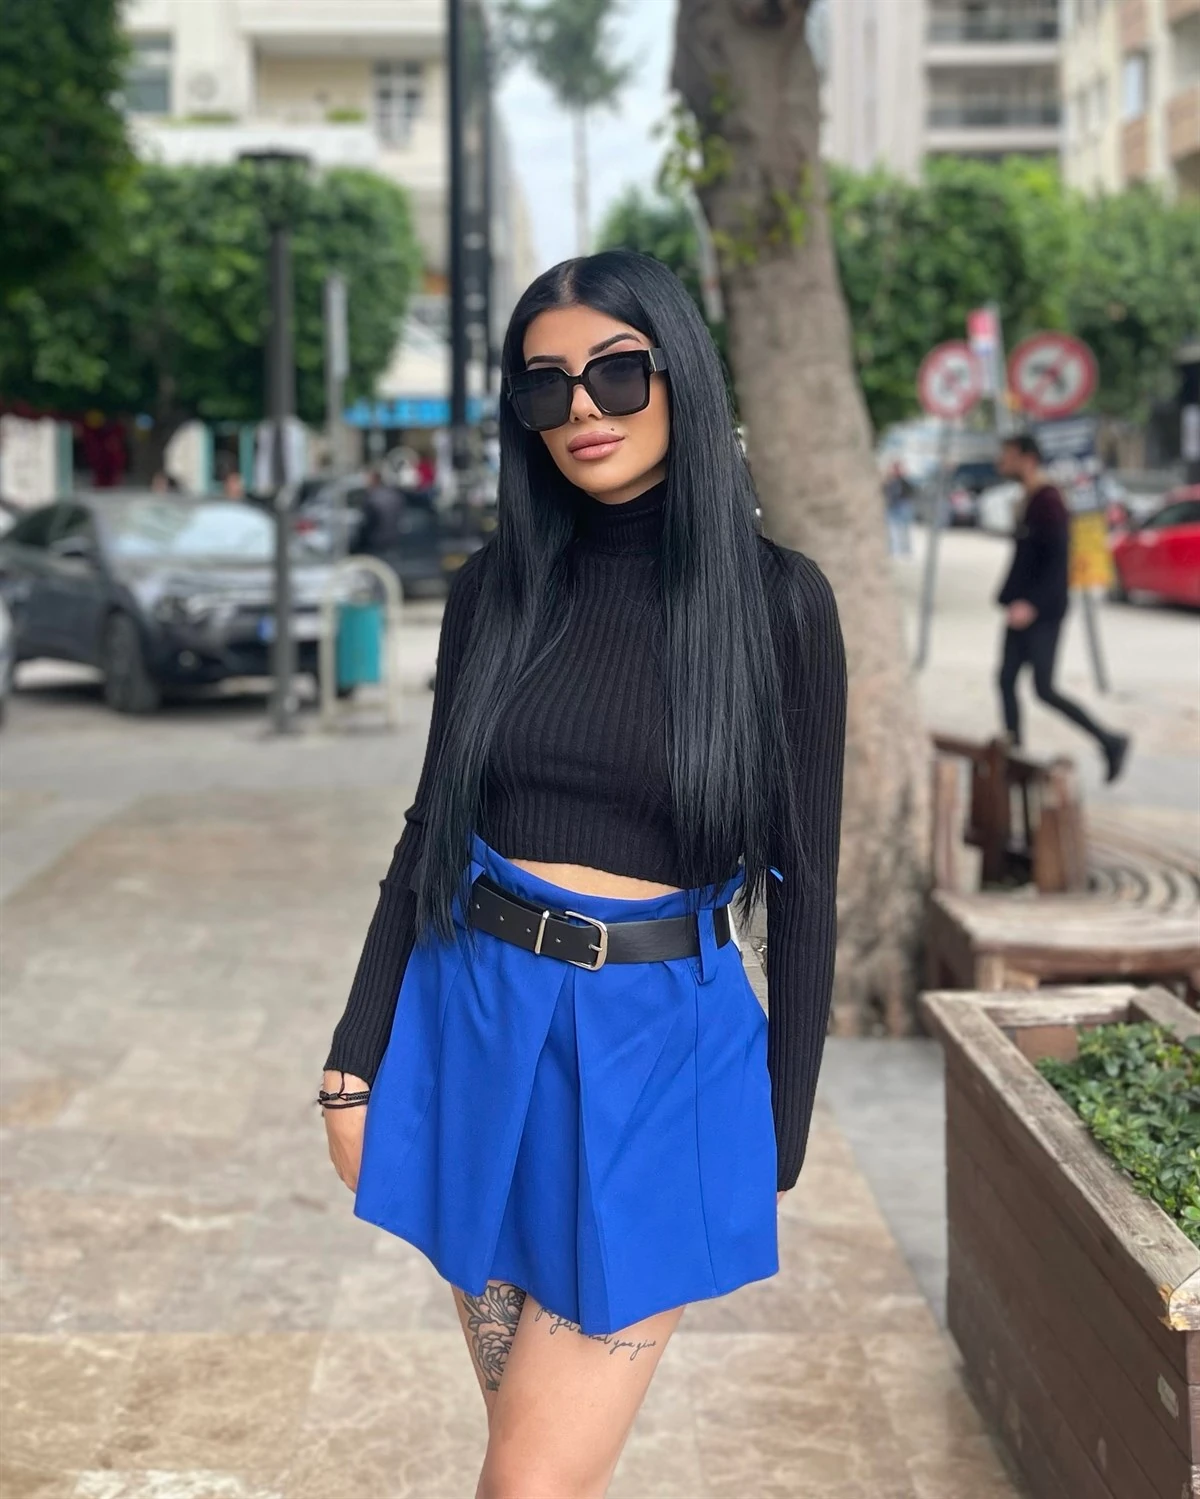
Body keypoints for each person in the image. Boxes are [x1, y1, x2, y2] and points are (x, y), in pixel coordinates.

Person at [318, 251, 847, 1496]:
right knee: (536, 1452)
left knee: (530, 1478)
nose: (583, 410)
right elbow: (430, 827)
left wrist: (774, 1134)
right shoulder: (492, 593)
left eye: (616, 372)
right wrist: (354, 1056)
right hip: (475, 1026)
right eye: (544, 385)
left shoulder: (780, 606)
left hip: (661, 1057)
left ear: (680, 374)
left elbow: (805, 883)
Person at [996, 433, 1130, 782]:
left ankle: (1110, 741)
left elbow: (1058, 562)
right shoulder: (1029, 498)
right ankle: (1013, 756)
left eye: (1007, 455)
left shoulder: (1048, 500)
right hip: (1021, 609)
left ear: (1027, 459)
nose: (1001, 462)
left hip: (1042, 612)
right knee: (1006, 679)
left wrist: (1032, 605)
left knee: (1044, 688)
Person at [883, 461, 914, 556]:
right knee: (893, 530)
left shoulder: (904, 481)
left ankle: (905, 550)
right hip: (892, 507)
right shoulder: (889, 481)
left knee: (904, 529)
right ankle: (895, 550)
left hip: (903, 506)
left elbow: (911, 492)